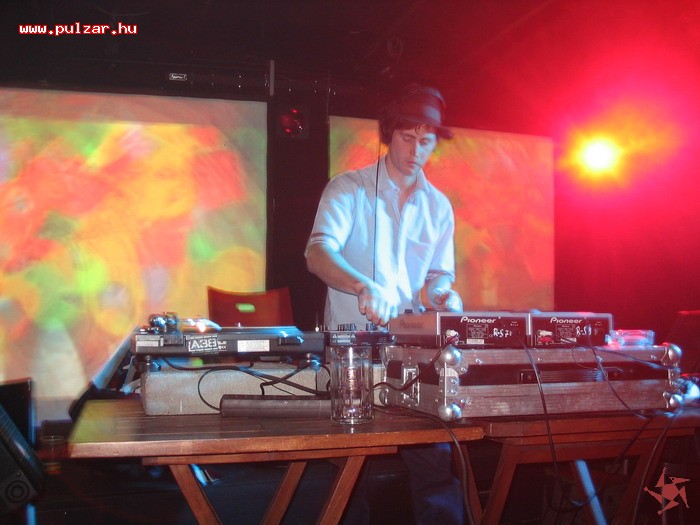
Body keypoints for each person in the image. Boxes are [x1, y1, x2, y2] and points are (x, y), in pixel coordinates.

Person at [305, 83, 465, 524]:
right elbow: (317, 253)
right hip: (351, 353)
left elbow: (437, 276)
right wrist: (363, 286)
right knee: (350, 471)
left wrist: (442, 293)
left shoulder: (439, 207)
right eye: (407, 138)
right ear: (388, 134)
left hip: (410, 356)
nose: (416, 150)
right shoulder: (348, 189)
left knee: (434, 464)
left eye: (426, 141)